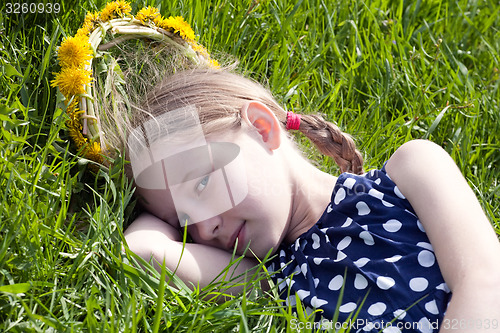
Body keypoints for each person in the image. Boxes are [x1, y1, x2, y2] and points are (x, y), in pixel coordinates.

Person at [122, 69, 500, 332]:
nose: (203, 227)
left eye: (202, 184)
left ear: (262, 128)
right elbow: (141, 249)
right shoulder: (268, 280)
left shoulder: (411, 171)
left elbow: (484, 280)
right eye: (182, 222)